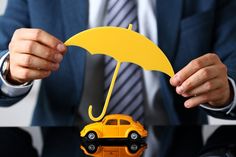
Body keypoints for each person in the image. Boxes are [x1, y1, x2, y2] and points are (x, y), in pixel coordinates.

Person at [0, 0, 236, 126]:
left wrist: (228, 91)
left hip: (178, 143)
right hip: (60, 141)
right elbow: (4, 48)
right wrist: (9, 68)